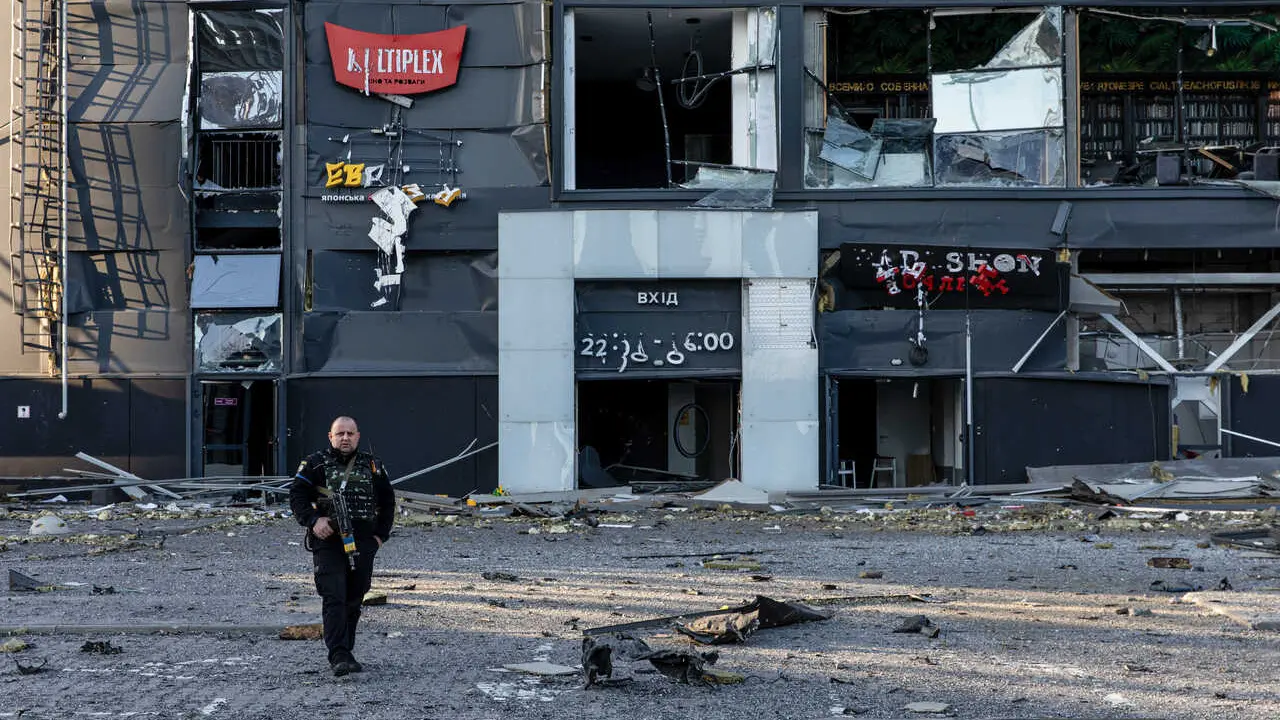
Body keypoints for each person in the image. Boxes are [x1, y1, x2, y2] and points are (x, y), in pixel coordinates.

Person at [290, 416, 395, 676]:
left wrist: (379, 537)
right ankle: (338, 654)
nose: (345, 438)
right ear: (331, 437)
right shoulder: (315, 463)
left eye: (350, 433)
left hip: (363, 542)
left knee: (355, 596)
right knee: (334, 594)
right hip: (329, 541)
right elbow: (297, 495)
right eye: (340, 434)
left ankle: (346, 650)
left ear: (358, 436)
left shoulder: (373, 465)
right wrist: (314, 520)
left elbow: (388, 502)